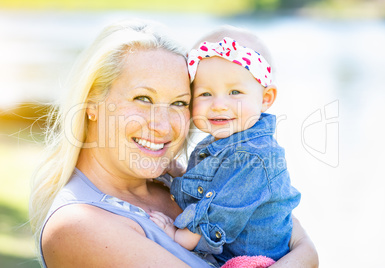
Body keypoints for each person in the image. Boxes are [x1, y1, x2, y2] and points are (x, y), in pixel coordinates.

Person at [29, 19, 318, 268]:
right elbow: (303, 248)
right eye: (143, 98)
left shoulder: (178, 178)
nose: (163, 125)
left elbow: (287, 229)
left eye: (180, 103)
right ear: (92, 103)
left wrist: (306, 252)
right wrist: (305, 255)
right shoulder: (79, 224)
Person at [149, 26, 303, 266]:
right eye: (205, 94)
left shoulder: (254, 155)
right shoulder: (223, 140)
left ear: (266, 98)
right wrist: (181, 172)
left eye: (234, 92)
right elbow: (215, 185)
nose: (219, 105)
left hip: (255, 260)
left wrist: (178, 236)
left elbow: (223, 212)